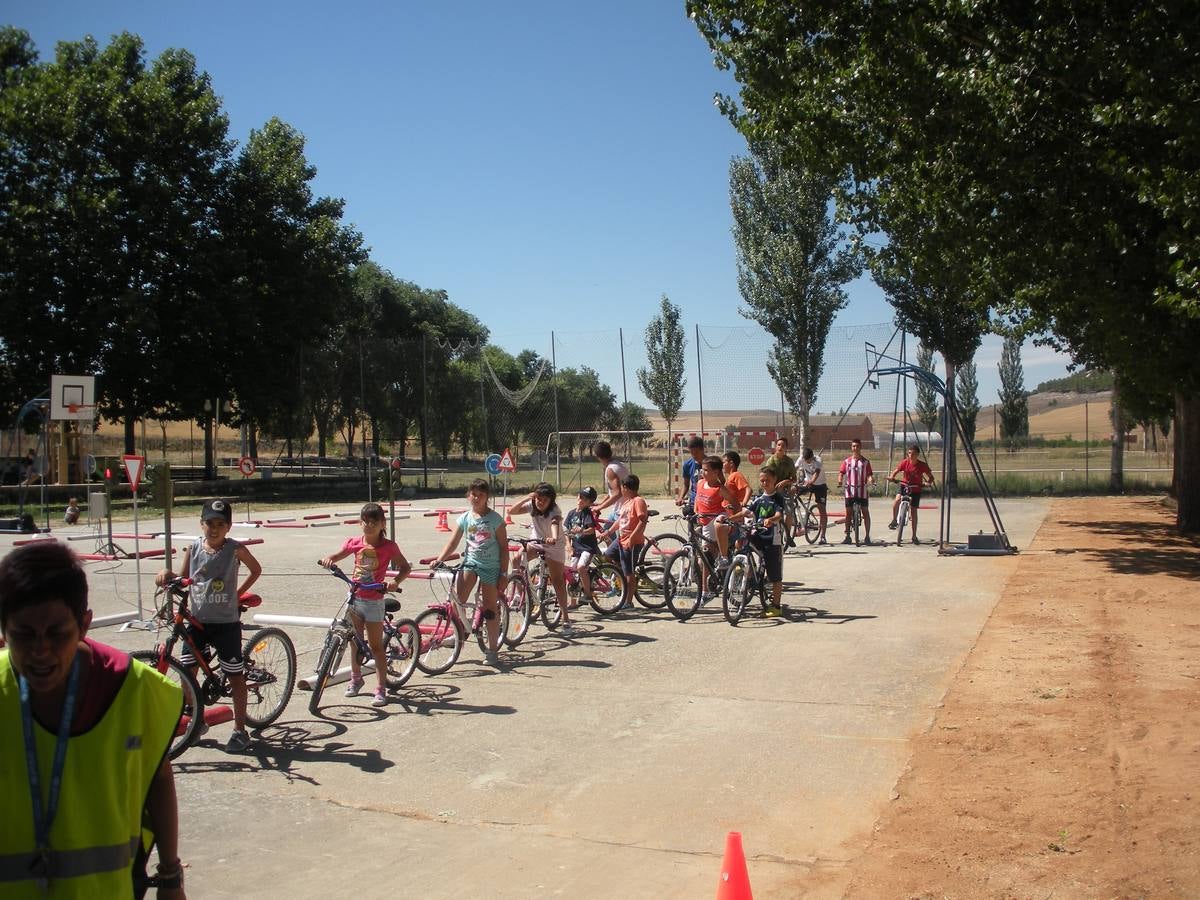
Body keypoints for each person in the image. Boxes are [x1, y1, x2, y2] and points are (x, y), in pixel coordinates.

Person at [1, 541, 187, 899]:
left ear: (84, 624)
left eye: (57, 633)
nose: (41, 650)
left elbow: (159, 780)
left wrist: (170, 876)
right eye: (24, 635)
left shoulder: (132, 688)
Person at [155, 498, 261, 751]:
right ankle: (196, 721)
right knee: (188, 670)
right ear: (201, 524)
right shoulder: (193, 548)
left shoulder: (235, 549)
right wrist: (167, 575)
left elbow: (256, 570)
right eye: (209, 523)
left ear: (228, 526)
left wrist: (237, 593)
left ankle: (239, 730)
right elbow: (184, 578)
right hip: (198, 620)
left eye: (220, 524)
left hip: (225, 622)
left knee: (235, 675)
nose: (214, 529)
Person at [318, 502, 411, 707]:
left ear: (382, 523)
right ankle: (356, 678)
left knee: (376, 646)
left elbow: (405, 567)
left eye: (373, 522)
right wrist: (328, 559)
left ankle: (380, 688)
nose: (368, 526)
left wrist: (395, 582)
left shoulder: (388, 547)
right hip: (355, 598)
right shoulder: (354, 542)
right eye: (365, 522)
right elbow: (337, 555)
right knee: (354, 643)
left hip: (374, 601)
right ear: (360, 523)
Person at [432, 479, 508, 666]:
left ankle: (492, 649)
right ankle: (460, 633)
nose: (476, 498)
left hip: (490, 566)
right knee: (458, 602)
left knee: (490, 608)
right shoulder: (465, 518)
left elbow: (504, 547)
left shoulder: (495, 519)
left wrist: (504, 574)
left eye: (481, 495)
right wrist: (440, 559)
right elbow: (453, 542)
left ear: (487, 497)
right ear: (468, 495)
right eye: (473, 494)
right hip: (471, 563)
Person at [510, 483, 575, 634]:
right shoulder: (532, 505)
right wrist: (527, 497)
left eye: (544, 500)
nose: (540, 502)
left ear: (550, 501)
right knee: (517, 558)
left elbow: (554, 524)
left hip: (553, 545)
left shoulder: (554, 510)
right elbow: (512, 511)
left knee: (558, 580)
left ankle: (566, 618)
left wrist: (552, 537)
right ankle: (520, 593)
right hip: (536, 541)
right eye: (538, 498)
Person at [693, 456, 743, 597]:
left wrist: (737, 517)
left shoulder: (720, 488)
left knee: (707, 554)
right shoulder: (700, 483)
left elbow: (735, 502)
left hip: (716, 519)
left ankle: (724, 558)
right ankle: (705, 590)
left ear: (716, 472)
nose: (703, 473)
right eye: (702, 470)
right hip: (703, 522)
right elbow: (698, 498)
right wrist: (695, 510)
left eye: (707, 470)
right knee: (705, 558)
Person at [741, 467, 787, 617]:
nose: (765, 483)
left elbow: (779, 515)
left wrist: (771, 520)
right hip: (758, 536)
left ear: (774, 480)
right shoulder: (759, 498)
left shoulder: (778, 498)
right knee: (741, 541)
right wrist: (728, 518)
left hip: (772, 540)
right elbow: (747, 512)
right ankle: (743, 568)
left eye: (767, 480)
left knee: (775, 576)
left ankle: (776, 606)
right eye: (762, 480)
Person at [887, 444, 936, 544]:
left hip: (916, 488)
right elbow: (896, 470)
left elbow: (931, 477)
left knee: (913, 511)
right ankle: (894, 520)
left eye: (913, 454)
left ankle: (914, 535)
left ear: (917, 454)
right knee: (897, 500)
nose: (910, 455)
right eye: (909, 453)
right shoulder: (905, 462)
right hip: (904, 485)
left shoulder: (922, 465)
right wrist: (892, 477)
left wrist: (928, 483)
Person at [615, 474, 649, 610]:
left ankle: (628, 602)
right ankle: (618, 580)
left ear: (626, 488)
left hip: (632, 542)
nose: (621, 491)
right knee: (608, 556)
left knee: (629, 573)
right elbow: (620, 521)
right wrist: (608, 532)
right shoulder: (627, 501)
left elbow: (643, 520)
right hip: (621, 540)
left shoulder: (638, 501)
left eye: (622, 488)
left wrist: (632, 538)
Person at [564, 486, 601, 608]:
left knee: (580, 567)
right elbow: (566, 532)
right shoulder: (571, 513)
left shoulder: (587, 514)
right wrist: (569, 546)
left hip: (588, 548)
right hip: (576, 548)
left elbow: (591, 529)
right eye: (580, 497)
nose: (581, 500)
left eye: (585, 499)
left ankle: (588, 594)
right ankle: (573, 601)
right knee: (571, 573)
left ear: (590, 503)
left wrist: (582, 530)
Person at [836, 438, 876, 545]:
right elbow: (841, 473)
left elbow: (869, 475)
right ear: (851, 447)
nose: (855, 448)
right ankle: (848, 536)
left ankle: (867, 536)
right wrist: (840, 481)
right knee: (848, 513)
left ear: (860, 447)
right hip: (850, 490)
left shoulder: (865, 462)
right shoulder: (847, 461)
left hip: (862, 490)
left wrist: (871, 480)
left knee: (865, 512)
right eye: (854, 446)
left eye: (857, 446)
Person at [763, 437, 797, 546]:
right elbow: (766, 477)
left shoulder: (789, 461)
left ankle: (787, 536)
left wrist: (786, 481)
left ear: (786, 448)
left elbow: (794, 478)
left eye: (783, 445)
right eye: (778, 445)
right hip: (773, 491)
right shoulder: (771, 461)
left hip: (786, 491)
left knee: (789, 512)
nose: (780, 447)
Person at [796, 448, 829, 544]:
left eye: (809, 460)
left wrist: (811, 481)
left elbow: (816, 473)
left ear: (812, 457)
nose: (807, 462)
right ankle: (797, 519)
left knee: (822, 509)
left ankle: (822, 536)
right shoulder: (801, 458)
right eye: (806, 461)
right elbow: (795, 468)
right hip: (808, 483)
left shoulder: (818, 460)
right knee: (794, 492)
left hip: (820, 485)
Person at [674, 436, 707, 512]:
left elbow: (721, 482)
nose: (694, 455)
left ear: (702, 449)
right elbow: (686, 484)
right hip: (693, 500)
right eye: (691, 452)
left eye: (696, 452)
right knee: (690, 519)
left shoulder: (711, 463)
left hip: (707, 501)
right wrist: (681, 497)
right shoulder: (687, 465)